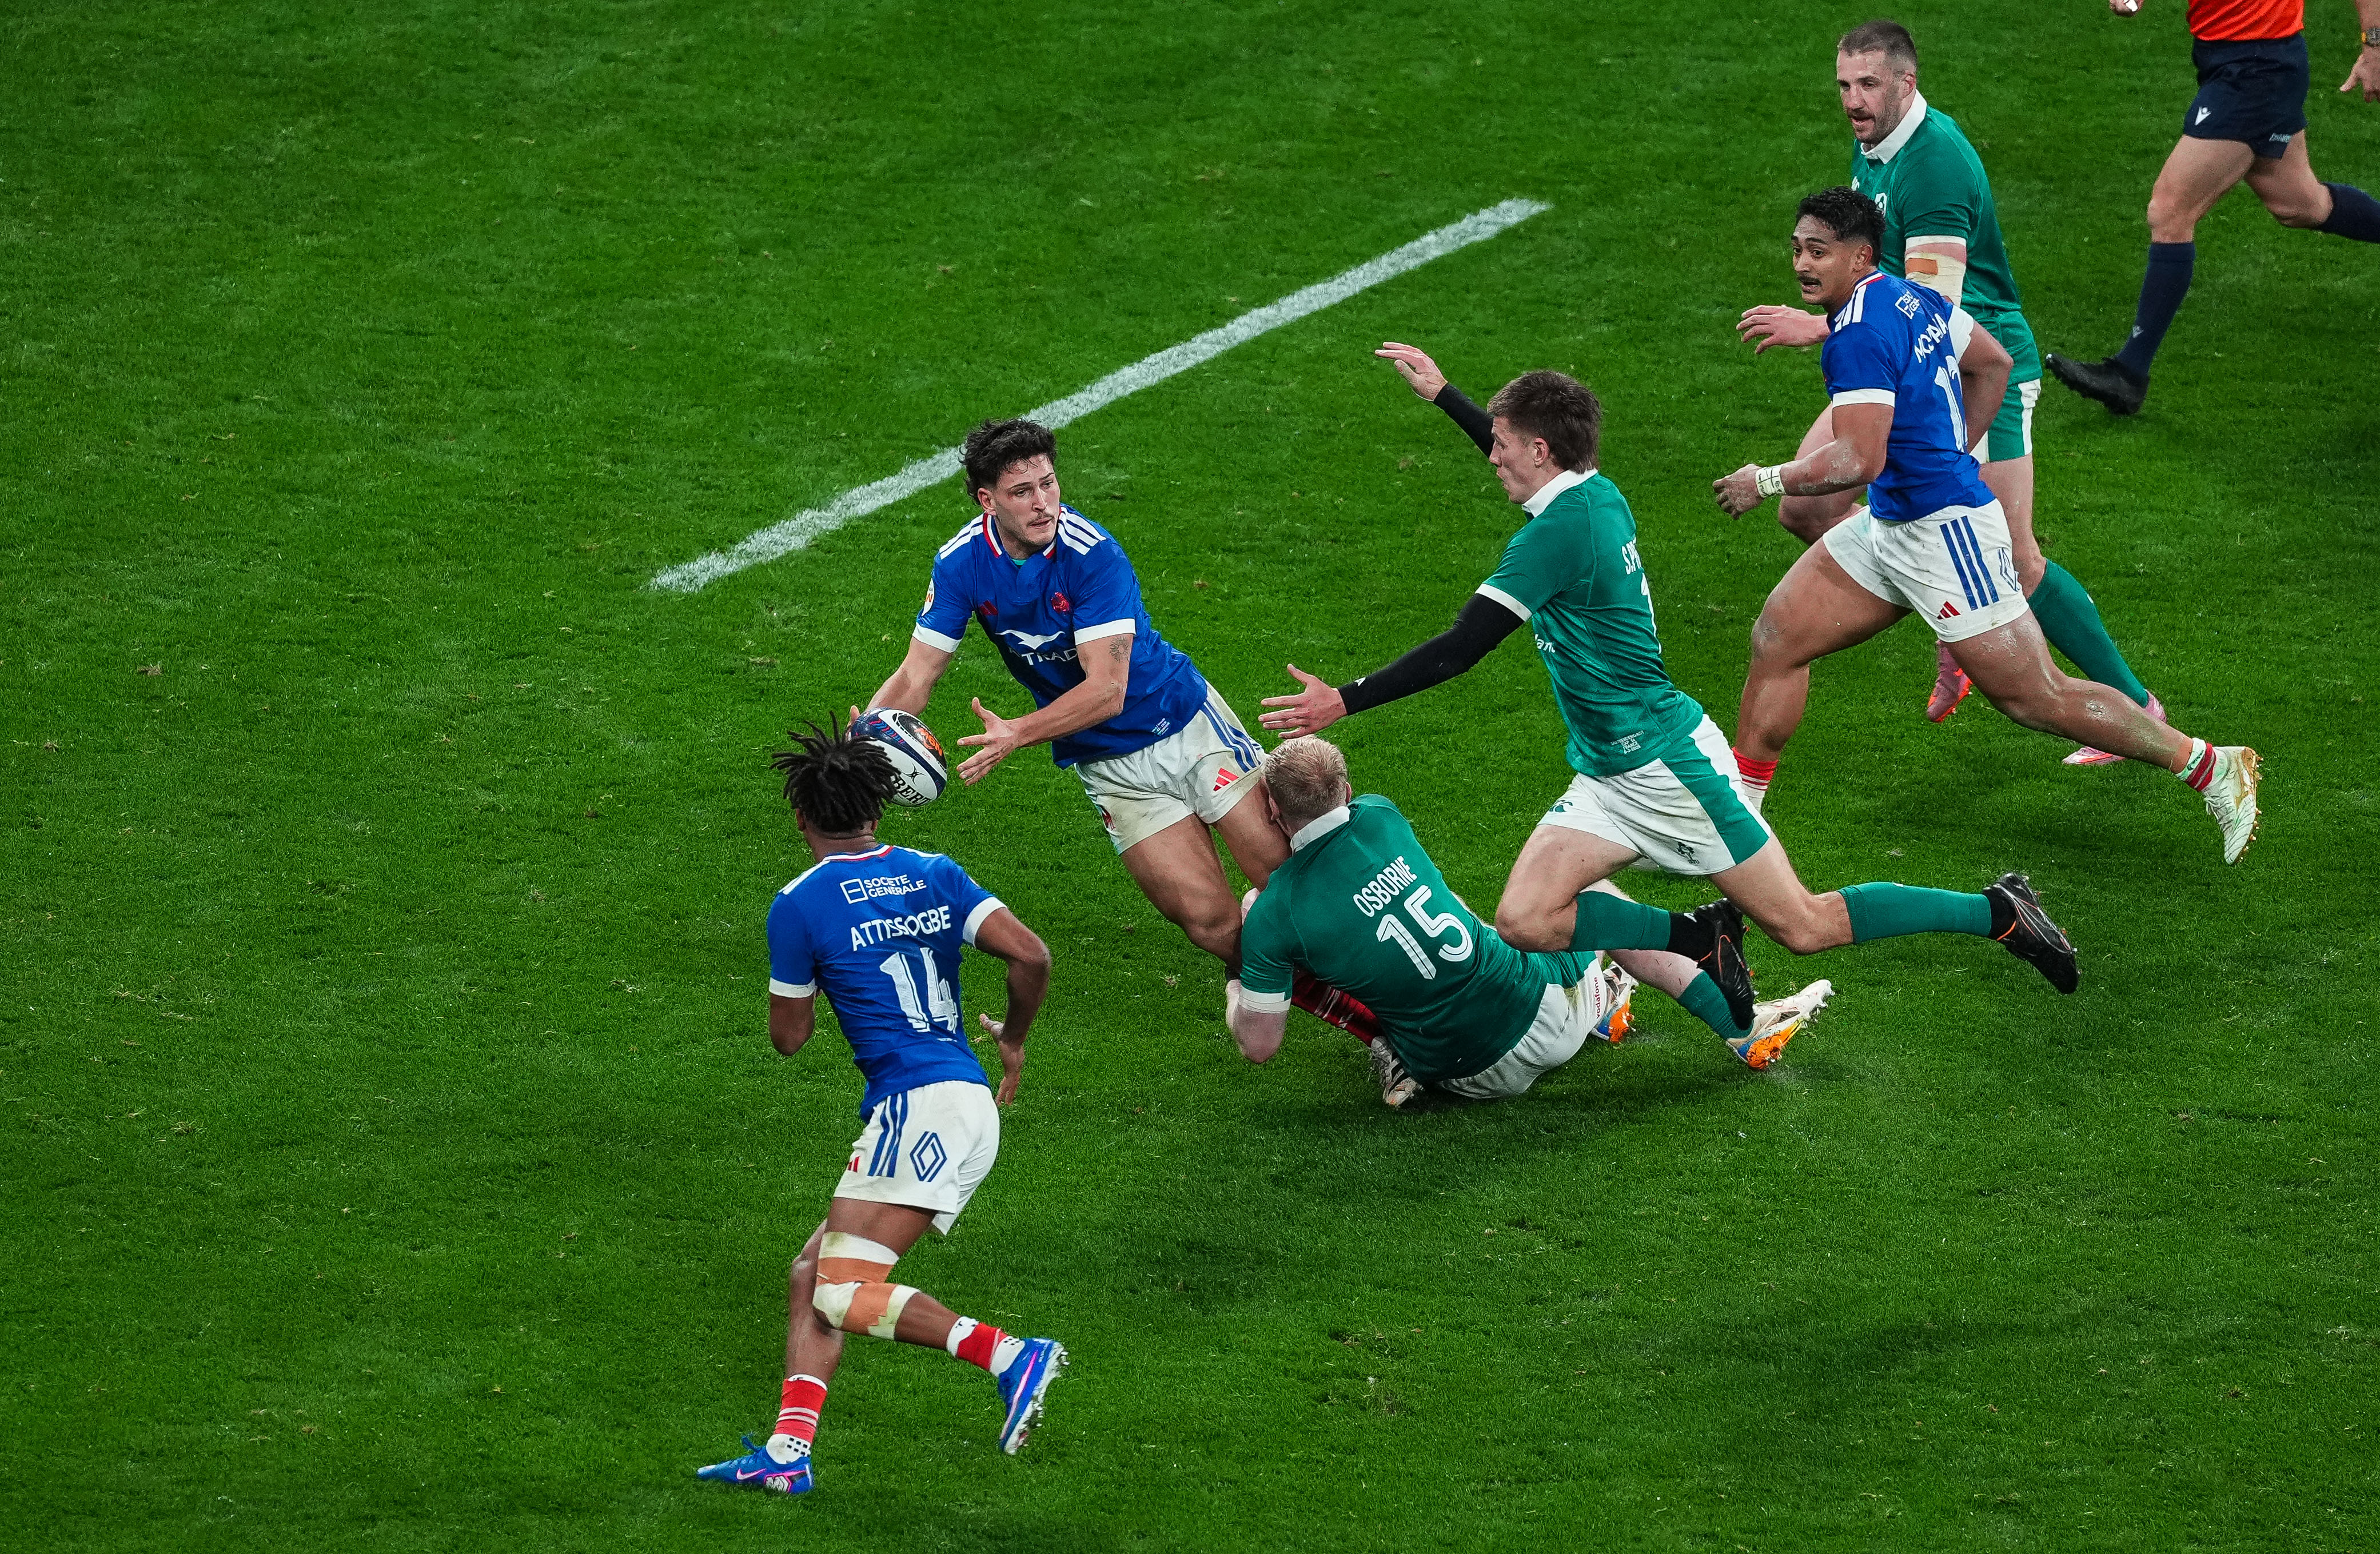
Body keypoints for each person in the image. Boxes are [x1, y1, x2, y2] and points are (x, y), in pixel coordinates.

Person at [1259, 352, 2086, 1060]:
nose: (1493, 459)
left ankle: (1999, 912)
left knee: (1801, 924)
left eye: (1505, 447)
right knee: (1525, 918)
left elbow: (1460, 648)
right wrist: (1447, 396)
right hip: (1609, 768)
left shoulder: (1554, 535)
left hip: (1663, 766)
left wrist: (1344, 699)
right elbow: (1516, 451)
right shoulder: (1590, 492)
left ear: (1541, 450)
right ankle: (1697, 937)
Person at [1714, 187, 2262, 865]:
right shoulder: (1905, 295)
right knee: (1777, 635)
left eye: (1816, 251)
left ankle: (2210, 765)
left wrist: (1762, 480)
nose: (1800, 263)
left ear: (1858, 257)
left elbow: (1858, 457)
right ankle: (1735, 826)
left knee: (2035, 698)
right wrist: (1953, 449)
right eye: (1797, 248)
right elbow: (1991, 362)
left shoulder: (1855, 335)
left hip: (1944, 537)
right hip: (1892, 523)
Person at [863, 416, 1374, 1040]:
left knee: (1290, 878)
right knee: (1209, 922)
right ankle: (1372, 1029)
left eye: (1048, 483)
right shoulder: (961, 563)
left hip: (1186, 728)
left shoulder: (1089, 553)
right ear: (986, 500)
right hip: (1109, 766)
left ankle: (1415, 994)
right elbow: (917, 674)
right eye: (1022, 491)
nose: (1043, 501)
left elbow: (1108, 689)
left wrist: (1017, 732)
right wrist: (859, 745)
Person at [1738, 18, 2163, 763]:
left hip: (1972, 362)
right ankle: (1947, 603)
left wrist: (1822, 329)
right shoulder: (1876, 144)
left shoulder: (1931, 167)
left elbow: (1932, 315)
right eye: (1843, 84)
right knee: (1807, 507)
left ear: (1905, 82)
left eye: (1867, 84)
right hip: (1895, 352)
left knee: (2020, 562)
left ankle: (2134, 706)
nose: (1852, 100)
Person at [696, 718, 1065, 1496]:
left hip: (914, 1109)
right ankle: (787, 1453)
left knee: (839, 1289)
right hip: (966, 1102)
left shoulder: (798, 902)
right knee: (810, 1271)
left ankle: (1007, 1353)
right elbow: (1030, 952)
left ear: (801, 817)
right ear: (879, 805)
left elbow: (788, 1039)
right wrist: (1015, 1039)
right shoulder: (934, 870)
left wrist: (817, 972)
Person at [1226, 737, 1828, 1097]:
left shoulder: (1276, 914)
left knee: (1305, 962)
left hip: (1470, 1078)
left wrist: (1240, 968)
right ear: (1346, 789)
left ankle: (1601, 997)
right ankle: (1729, 1021)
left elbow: (1259, 1046)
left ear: (1272, 810)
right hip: (1544, 1006)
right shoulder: (1380, 815)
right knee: (1581, 889)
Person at [2048, 0, 2380, 413]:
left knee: (2170, 211)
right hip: (2234, 59)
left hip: (2257, 69)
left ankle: (2128, 373)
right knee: (2299, 203)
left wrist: (2374, 46)